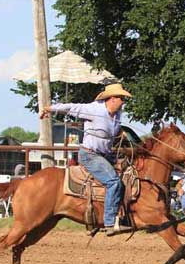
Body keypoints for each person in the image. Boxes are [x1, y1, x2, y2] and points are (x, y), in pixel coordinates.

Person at [40, 83, 132, 234]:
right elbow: (71, 107)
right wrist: (49, 109)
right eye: (121, 98)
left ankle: (106, 216)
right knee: (113, 182)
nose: (123, 102)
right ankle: (109, 222)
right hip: (90, 155)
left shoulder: (117, 115)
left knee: (129, 172)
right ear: (112, 99)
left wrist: (120, 133)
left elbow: (113, 132)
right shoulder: (94, 109)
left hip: (105, 154)